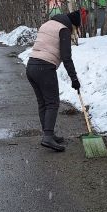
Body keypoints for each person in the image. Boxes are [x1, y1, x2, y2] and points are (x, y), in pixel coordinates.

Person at [25, 10, 82, 152]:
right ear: (72, 25)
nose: (74, 32)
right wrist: (74, 78)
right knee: (52, 103)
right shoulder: (64, 29)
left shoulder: (47, 24)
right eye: (75, 29)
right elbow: (66, 57)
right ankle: (48, 137)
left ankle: (47, 133)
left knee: (43, 103)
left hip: (31, 66)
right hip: (44, 68)